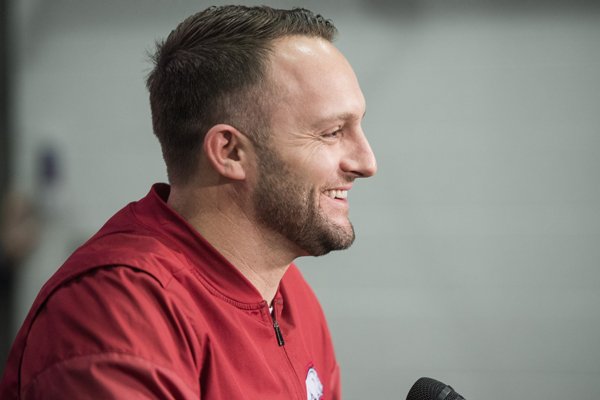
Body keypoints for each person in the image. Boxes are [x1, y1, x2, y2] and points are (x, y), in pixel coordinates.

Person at [0, 5, 376, 399]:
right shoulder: (117, 312)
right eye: (332, 132)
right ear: (230, 152)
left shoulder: (289, 296)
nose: (367, 163)